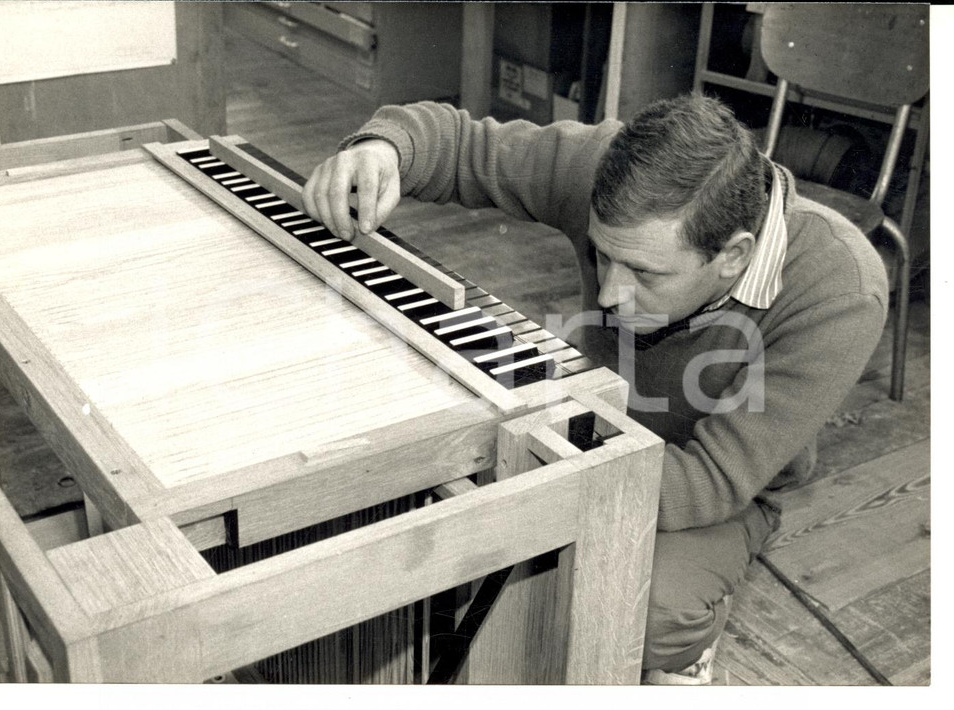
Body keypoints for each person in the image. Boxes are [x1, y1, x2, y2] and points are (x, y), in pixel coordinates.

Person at [302, 95, 889, 684]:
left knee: (644, 607)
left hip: (713, 485)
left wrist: (518, 487)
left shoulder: (840, 289)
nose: (609, 295)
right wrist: (384, 148)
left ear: (734, 257)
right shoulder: (610, 173)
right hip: (590, 421)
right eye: (601, 256)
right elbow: (459, 144)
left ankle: (687, 647)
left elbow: (711, 482)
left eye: (644, 273)